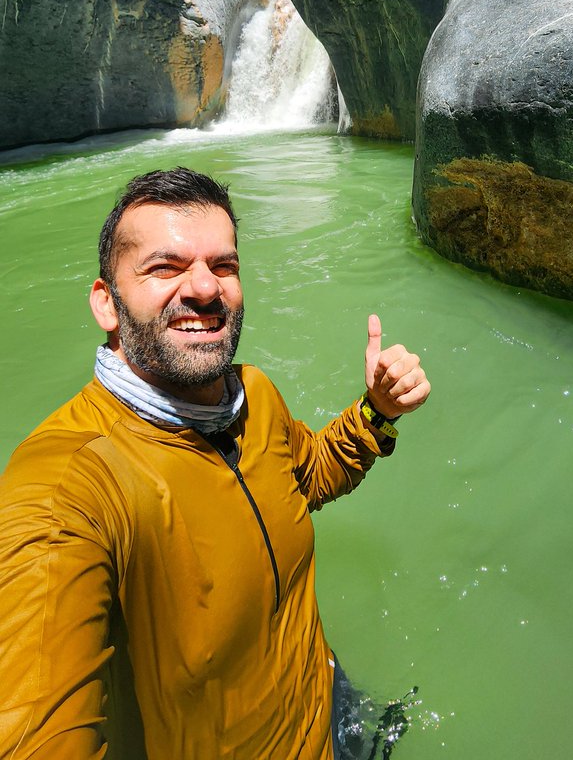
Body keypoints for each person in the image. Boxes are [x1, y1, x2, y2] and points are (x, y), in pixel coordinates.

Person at [0, 167, 430, 759]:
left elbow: (305, 477)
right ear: (107, 302)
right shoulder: (67, 485)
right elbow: (35, 729)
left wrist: (375, 413)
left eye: (223, 266)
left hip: (325, 706)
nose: (205, 289)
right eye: (165, 267)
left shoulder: (252, 394)